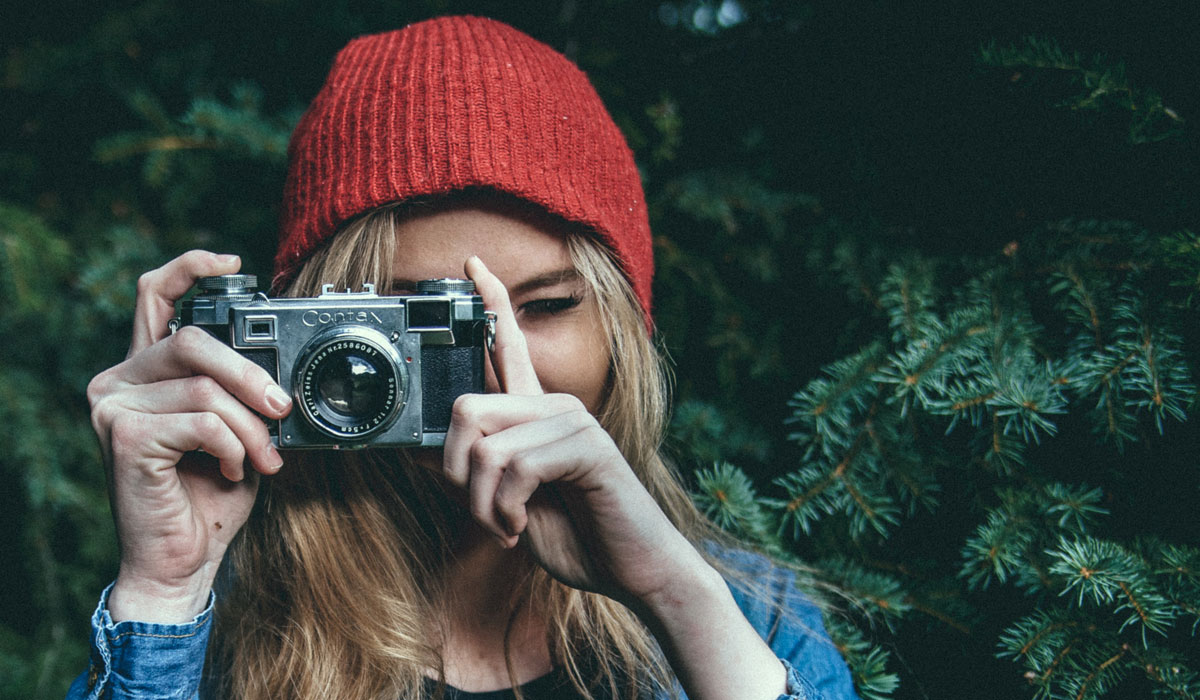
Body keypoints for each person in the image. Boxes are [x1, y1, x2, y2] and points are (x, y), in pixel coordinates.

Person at [68, 15, 858, 700]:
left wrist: (677, 597)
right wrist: (163, 594)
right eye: (421, 327)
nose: (488, 375)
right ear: (305, 337)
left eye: (544, 308)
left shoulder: (748, 614)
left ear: (622, 327)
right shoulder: (215, 619)